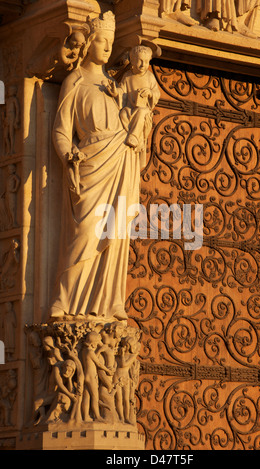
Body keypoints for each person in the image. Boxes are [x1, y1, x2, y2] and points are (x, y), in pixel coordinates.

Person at [50, 11, 141, 322]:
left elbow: (132, 126)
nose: (107, 47)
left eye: (111, 42)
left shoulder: (115, 86)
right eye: (102, 40)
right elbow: (62, 130)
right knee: (86, 231)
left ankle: (112, 300)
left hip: (121, 160)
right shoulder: (76, 79)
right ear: (88, 43)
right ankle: (64, 300)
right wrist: (67, 155)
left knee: (116, 233)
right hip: (91, 163)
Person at [107, 44, 160, 169]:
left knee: (141, 112)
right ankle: (130, 137)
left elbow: (157, 93)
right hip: (131, 109)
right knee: (123, 113)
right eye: (140, 61)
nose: (143, 65)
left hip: (144, 110)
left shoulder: (149, 77)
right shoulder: (128, 76)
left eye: (146, 62)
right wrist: (116, 93)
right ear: (132, 61)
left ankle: (135, 137)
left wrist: (150, 93)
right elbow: (122, 92)